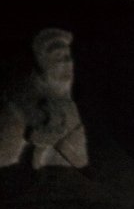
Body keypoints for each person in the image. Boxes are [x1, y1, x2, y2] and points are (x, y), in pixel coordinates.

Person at [0, 28, 89, 169]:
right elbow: (6, 157)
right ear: (42, 61)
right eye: (58, 56)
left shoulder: (68, 105)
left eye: (68, 56)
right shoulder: (20, 101)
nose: (67, 62)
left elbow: (80, 159)